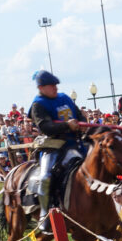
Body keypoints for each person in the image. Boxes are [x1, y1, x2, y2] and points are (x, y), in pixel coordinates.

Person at [27, 70, 84, 232]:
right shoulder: (38, 105)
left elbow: (79, 115)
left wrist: (81, 123)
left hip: (76, 143)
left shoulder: (65, 98)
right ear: (41, 87)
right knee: (46, 177)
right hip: (54, 147)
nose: (55, 88)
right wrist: (67, 125)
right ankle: (45, 214)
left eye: (55, 85)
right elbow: (45, 127)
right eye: (51, 85)